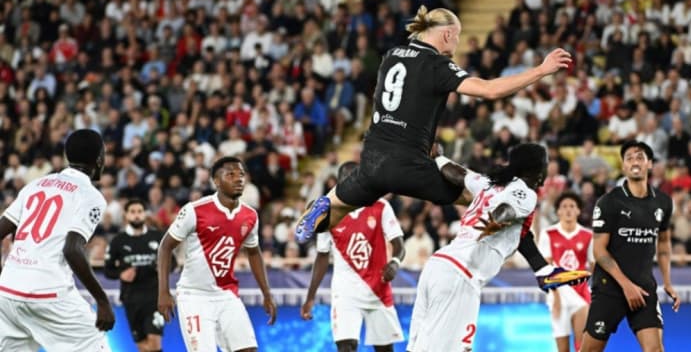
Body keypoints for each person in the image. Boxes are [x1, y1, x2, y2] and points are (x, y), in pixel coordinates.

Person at [295, 5, 572, 243]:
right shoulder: (436, 65)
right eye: (457, 36)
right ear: (447, 34)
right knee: (478, 196)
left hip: (371, 159)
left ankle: (322, 204)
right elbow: (489, 91)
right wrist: (541, 70)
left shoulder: (392, 54)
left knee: (334, 212)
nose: (457, 43)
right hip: (407, 164)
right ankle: (504, 249)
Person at [407, 144, 591, 352]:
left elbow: (459, 174)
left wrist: (439, 158)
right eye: (545, 164)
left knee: (417, 348)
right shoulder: (526, 193)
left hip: (437, 265)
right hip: (461, 276)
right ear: (536, 169)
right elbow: (506, 210)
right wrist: (496, 219)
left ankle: (543, 270)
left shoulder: (490, 183)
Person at [0, 129, 114, 350]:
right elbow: (71, 249)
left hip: (7, 290)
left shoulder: (35, 185)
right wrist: (102, 300)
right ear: (100, 159)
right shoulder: (90, 196)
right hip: (47, 292)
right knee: (94, 343)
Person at [157, 156, 277, 352]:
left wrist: (267, 293)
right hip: (194, 296)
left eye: (241, 174)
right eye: (230, 174)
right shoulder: (195, 210)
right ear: (216, 181)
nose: (238, 179)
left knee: (248, 349)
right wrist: (163, 291)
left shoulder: (250, 215)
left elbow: (254, 253)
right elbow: (165, 247)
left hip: (227, 294)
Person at [580, 140, 681, 352]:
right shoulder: (609, 202)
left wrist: (667, 282)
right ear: (623, 165)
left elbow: (663, 242)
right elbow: (599, 251)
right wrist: (626, 286)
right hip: (610, 287)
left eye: (640, 157)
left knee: (655, 350)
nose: (635, 162)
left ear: (649, 164)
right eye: (629, 158)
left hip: (643, 287)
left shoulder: (663, 202)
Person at [300, 161, 405, 352]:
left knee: (385, 349)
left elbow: (399, 244)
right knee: (346, 347)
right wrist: (310, 296)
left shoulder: (381, 206)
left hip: (377, 290)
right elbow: (322, 256)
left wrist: (395, 262)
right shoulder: (328, 213)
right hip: (345, 291)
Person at [104, 198, 165, 352]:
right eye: (132, 212)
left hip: (154, 298)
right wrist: (121, 274)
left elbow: (173, 262)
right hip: (131, 299)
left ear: (145, 214)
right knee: (142, 345)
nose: (136, 215)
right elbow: (108, 270)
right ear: (126, 215)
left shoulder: (157, 237)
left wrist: (162, 267)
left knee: (154, 342)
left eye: (139, 211)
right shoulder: (118, 241)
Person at [539, 192, 594, 352]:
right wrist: (555, 296)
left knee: (582, 346)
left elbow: (594, 265)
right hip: (559, 294)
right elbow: (546, 268)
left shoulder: (588, 235)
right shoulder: (548, 234)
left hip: (581, 294)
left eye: (572, 206)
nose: (568, 210)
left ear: (578, 211)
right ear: (558, 211)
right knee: (562, 348)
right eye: (564, 206)